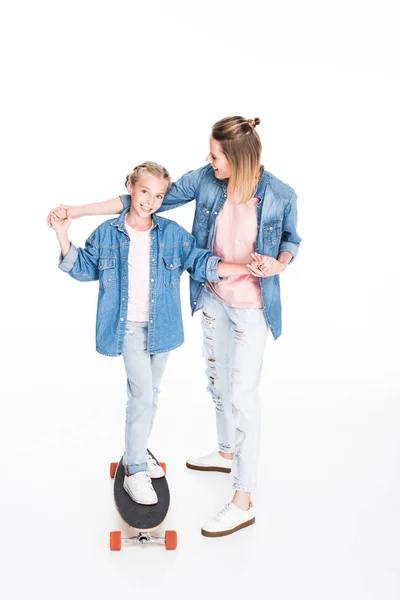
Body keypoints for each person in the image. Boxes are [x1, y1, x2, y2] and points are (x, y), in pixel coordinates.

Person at [48, 116, 302, 536]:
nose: (208, 160)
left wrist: (275, 264)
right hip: (212, 298)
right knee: (215, 383)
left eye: (216, 154)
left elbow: (290, 241)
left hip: (249, 304)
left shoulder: (279, 194)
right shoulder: (205, 181)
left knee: (240, 395)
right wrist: (74, 214)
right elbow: (141, 201)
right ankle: (220, 454)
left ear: (237, 159)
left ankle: (244, 497)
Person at [50, 161, 257, 507]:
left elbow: (202, 262)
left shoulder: (172, 234)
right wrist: (62, 233)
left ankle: (139, 449)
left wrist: (244, 268)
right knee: (142, 395)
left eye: (159, 195)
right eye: (144, 191)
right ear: (129, 186)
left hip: (162, 329)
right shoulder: (106, 233)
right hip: (127, 327)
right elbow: (84, 269)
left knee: (150, 393)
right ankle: (135, 470)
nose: (150, 200)